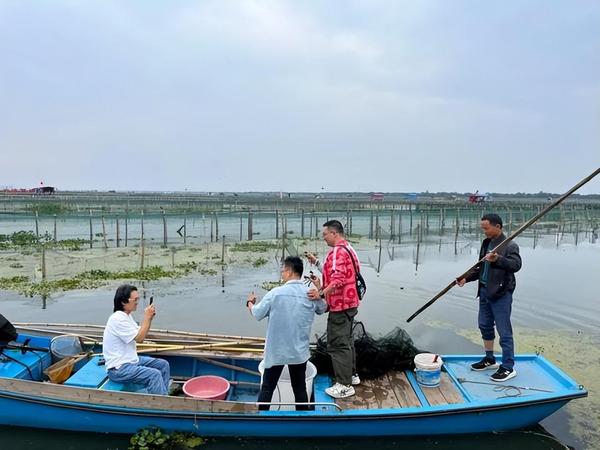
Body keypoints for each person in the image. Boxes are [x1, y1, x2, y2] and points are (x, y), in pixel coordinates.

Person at [247, 256, 327, 411]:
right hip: (299, 352)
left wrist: (250, 302)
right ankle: (303, 421)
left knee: (267, 388)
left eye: (283, 270)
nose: (282, 274)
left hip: (276, 352)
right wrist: (319, 289)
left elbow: (257, 314)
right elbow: (323, 308)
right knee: (300, 388)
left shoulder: (275, 293)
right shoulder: (311, 294)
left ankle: (262, 420)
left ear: (290, 272)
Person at [457, 213, 522, 382]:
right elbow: (480, 268)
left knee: (504, 331)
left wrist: (498, 259)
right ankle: (489, 359)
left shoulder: (510, 245)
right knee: (484, 325)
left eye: (486, 228)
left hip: (501, 293)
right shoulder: (486, 243)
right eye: (482, 228)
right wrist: (466, 277)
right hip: (485, 291)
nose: (483, 231)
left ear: (498, 227)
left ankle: (508, 367)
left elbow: (516, 265)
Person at [306, 220, 361, 399]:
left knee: (337, 344)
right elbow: (338, 272)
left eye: (325, 235)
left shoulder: (337, 251)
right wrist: (316, 263)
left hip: (341, 305)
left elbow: (338, 280)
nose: (324, 238)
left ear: (334, 233)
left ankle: (344, 385)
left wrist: (321, 294)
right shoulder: (348, 249)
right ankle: (351, 376)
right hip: (351, 303)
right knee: (347, 341)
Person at [102, 284, 170, 395]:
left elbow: (140, 332)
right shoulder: (118, 319)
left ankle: (163, 396)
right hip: (118, 369)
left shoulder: (127, 316)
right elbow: (140, 338)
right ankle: (161, 407)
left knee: (163, 365)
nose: (137, 302)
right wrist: (147, 317)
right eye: (135, 299)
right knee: (154, 374)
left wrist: (150, 318)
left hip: (131, 361)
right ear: (124, 302)